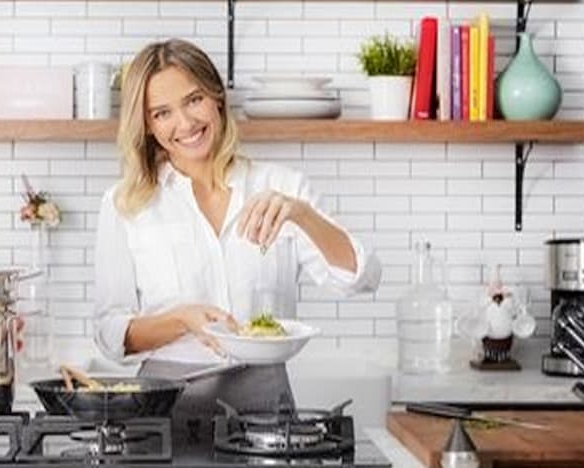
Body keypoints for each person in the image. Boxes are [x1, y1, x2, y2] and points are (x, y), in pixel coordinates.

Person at [93, 38, 381, 435]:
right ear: (146, 124)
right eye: (162, 112)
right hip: (161, 409)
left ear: (216, 98)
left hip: (265, 405)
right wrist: (182, 320)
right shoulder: (124, 204)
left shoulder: (281, 187)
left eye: (193, 100)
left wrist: (302, 214)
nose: (185, 123)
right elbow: (111, 334)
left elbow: (361, 278)